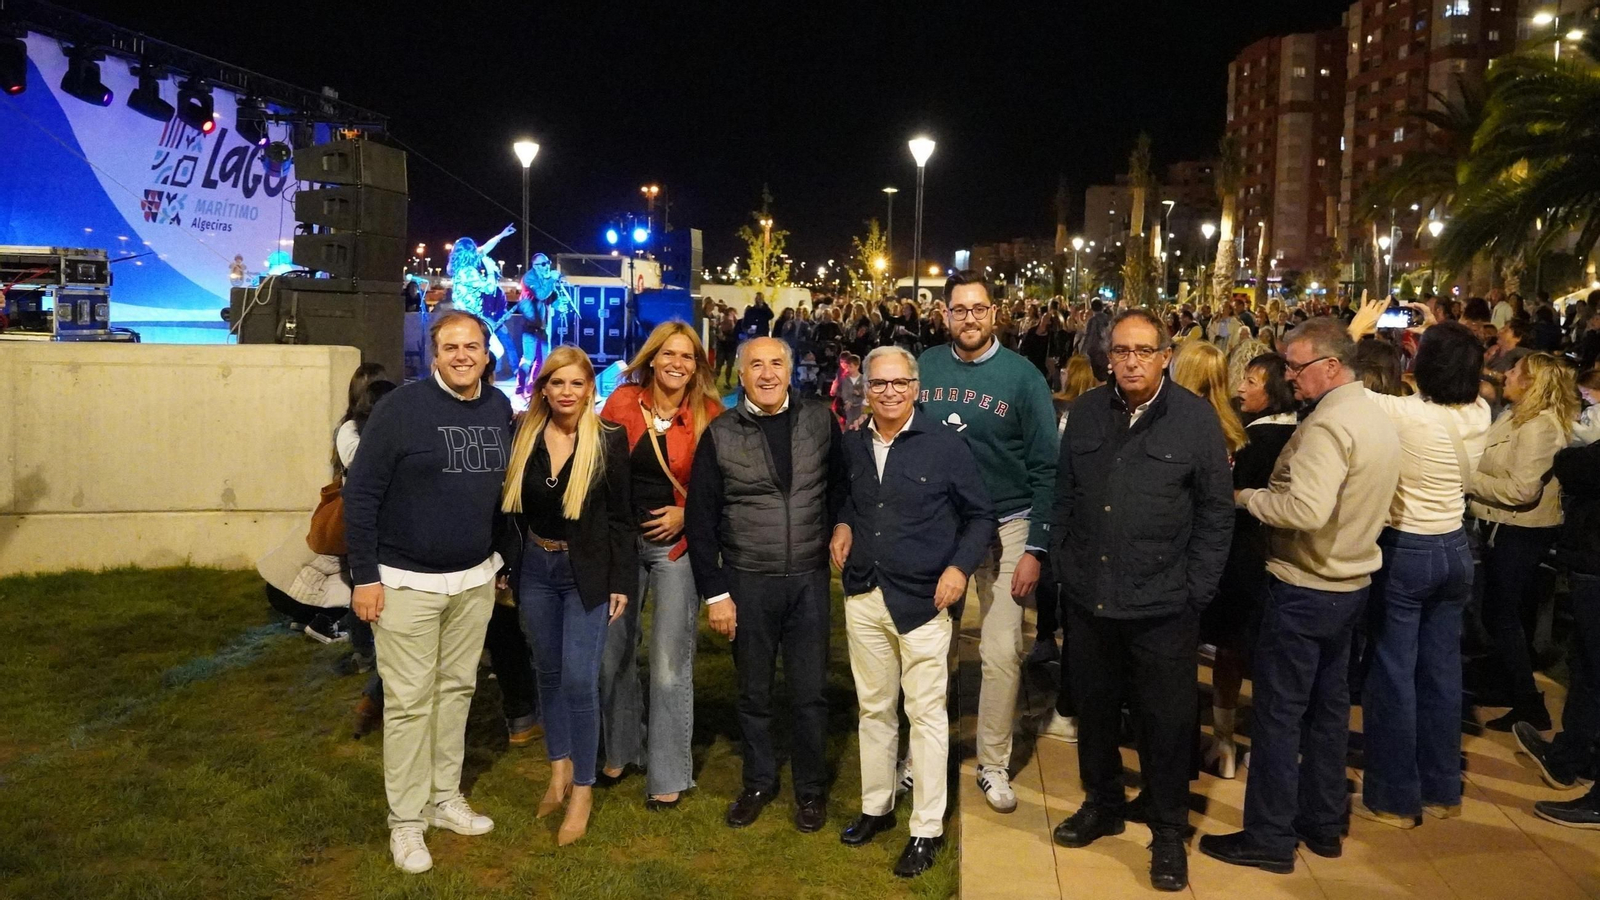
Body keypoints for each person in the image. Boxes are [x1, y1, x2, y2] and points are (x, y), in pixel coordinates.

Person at [1199, 317, 1400, 874]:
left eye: (1295, 367)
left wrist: (1248, 499)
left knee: (1280, 715)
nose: (1288, 377)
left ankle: (1268, 835)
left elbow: (1305, 511)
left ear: (1331, 367)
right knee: (1328, 712)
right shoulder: (1374, 415)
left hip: (1308, 584)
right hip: (1351, 583)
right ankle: (1321, 822)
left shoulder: (1330, 427)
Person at [1049, 309, 1233, 892]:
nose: (1130, 360)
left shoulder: (1196, 419)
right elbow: (1064, 495)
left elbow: (1214, 514)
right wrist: (1063, 561)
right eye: (1121, 350)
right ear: (1108, 355)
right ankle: (1101, 804)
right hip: (1090, 600)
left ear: (1165, 356)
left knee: (1167, 725)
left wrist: (1195, 592)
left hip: (1164, 609)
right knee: (1096, 713)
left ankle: (1168, 833)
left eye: (1143, 350)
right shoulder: (1084, 414)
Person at [344, 311, 513, 875]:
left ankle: (444, 798)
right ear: (433, 353)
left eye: (472, 346)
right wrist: (364, 577)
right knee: (410, 704)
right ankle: (407, 822)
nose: (463, 355)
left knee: (457, 691)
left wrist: (500, 565)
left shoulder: (497, 408)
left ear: (488, 352)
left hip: (473, 580)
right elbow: (361, 496)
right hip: (404, 583)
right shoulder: (400, 409)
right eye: (450, 347)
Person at [830, 346, 996, 877]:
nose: (889, 393)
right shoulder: (854, 444)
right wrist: (843, 525)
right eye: (879, 384)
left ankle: (926, 827)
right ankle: (876, 806)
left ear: (916, 387)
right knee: (874, 708)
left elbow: (980, 517)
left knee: (925, 717)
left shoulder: (946, 446)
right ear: (865, 389)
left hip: (925, 599)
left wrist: (959, 570)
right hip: (865, 593)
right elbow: (850, 500)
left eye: (899, 383)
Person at [685, 336, 846, 832]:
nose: (768, 373)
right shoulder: (721, 433)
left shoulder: (821, 420)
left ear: (792, 369)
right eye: (757, 364)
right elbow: (700, 519)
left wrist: (841, 526)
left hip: (807, 581)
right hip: (748, 581)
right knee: (753, 694)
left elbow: (841, 486)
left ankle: (811, 790)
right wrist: (716, 593)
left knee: (809, 693)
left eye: (777, 363)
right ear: (742, 373)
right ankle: (757, 782)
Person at [916, 270, 1058, 814]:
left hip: (1008, 524)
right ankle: (921, 755)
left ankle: (992, 761)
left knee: (1001, 651)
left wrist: (1036, 547)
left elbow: (1047, 467)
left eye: (978, 308)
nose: (969, 318)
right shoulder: (924, 368)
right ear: (945, 314)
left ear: (994, 313)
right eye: (959, 309)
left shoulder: (1022, 378)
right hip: (942, 525)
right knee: (929, 648)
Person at [1347, 307, 1493, 827]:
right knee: (1441, 674)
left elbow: (1340, 383)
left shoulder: (1406, 414)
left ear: (1421, 365)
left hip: (1408, 550)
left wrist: (1354, 332)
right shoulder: (1479, 413)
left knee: (1392, 675)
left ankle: (1393, 798)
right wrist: (1438, 326)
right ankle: (1441, 790)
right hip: (1457, 549)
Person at [501, 346, 635, 846]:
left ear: (589, 389)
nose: (566, 392)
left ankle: (583, 787)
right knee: (548, 673)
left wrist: (622, 581)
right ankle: (558, 768)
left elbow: (622, 519)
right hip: (535, 567)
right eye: (557, 383)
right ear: (543, 388)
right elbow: (510, 512)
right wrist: (509, 566)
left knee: (581, 679)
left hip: (588, 572)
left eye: (576, 384)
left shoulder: (609, 441)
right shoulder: (525, 436)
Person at [597, 323, 724, 809]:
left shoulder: (709, 414)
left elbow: (719, 492)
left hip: (677, 547)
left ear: (698, 365)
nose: (677, 363)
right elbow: (600, 472)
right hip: (622, 545)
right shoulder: (624, 403)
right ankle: (623, 748)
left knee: (670, 662)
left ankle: (669, 772)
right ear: (651, 358)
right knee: (613, 653)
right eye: (668, 354)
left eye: (687, 357)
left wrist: (684, 515)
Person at [1470, 352, 1580, 731]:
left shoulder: (1541, 427)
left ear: (1533, 383)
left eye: (1515, 371)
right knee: (1496, 613)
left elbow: (1521, 489)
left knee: (1503, 615)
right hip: (1500, 526)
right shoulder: (1516, 416)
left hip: (1521, 530)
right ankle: (1509, 686)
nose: (1507, 375)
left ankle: (1528, 702)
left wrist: (1465, 480)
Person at [1203, 353, 1299, 778]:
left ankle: (1223, 741)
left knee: (1232, 650)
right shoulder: (1303, 430)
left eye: (1252, 381)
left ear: (1273, 390)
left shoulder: (1253, 442)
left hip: (1245, 557)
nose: (1241, 388)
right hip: (1286, 560)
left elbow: (1226, 498)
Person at [1515, 434, 1600, 827]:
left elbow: (1577, 465)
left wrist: (1571, 457)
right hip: (1589, 560)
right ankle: (1571, 758)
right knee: (1585, 669)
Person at [445, 226, 515, 319]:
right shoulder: (468, 272)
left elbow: (485, 247)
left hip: (462, 315)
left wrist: (501, 235)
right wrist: (490, 270)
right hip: (470, 317)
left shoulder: (458, 268)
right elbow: (489, 289)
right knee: (501, 334)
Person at [833, 351, 866, 429]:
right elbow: (845, 392)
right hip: (849, 406)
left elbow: (866, 392)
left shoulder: (863, 379)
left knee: (860, 423)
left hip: (860, 405)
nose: (848, 369)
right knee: (850, 422)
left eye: (850, 367)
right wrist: (847, 401)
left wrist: (860, 393)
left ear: (857, 366)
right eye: (847, 367)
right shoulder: (846, 379)